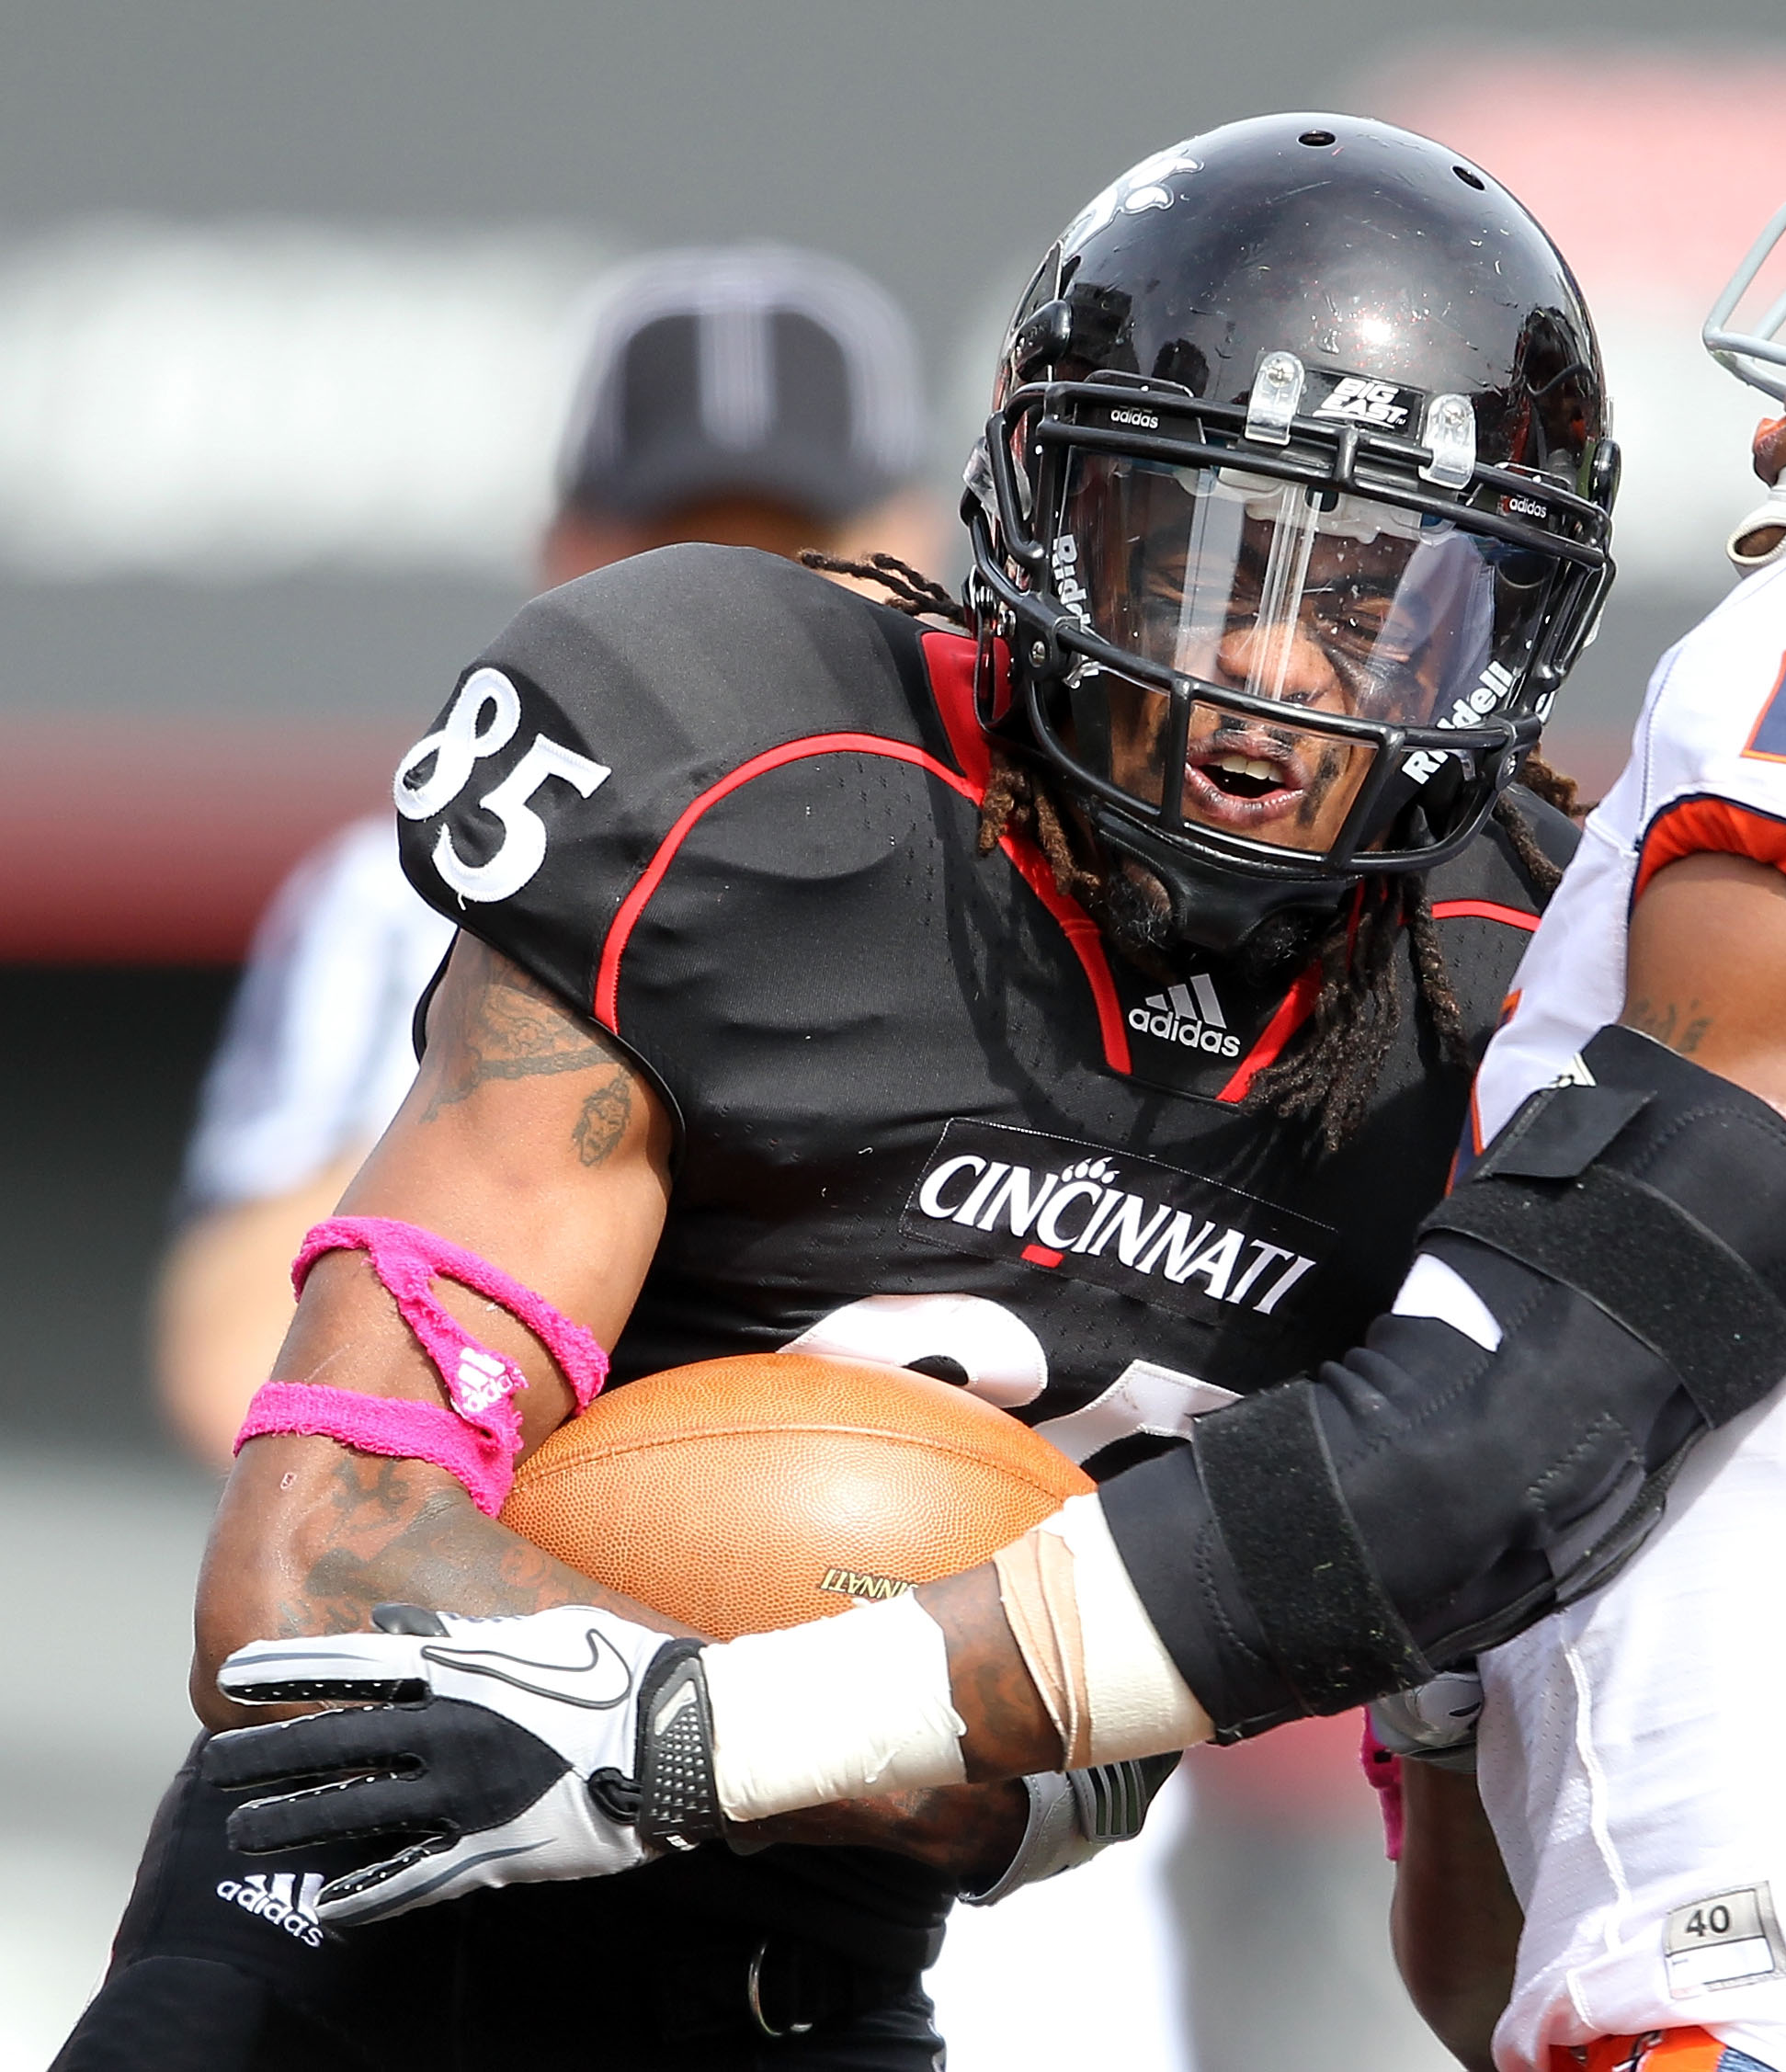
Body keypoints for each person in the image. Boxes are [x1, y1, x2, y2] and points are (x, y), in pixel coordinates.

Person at [195, 32, 1786, 2071]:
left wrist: (737, 1726)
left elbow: (1536, 1395)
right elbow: (1464, 1915)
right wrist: (1428, 1660)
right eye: (1201, 552)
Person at [59, 119, 1619, 2072]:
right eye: (1196, 552)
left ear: (1509, 638)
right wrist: (880, 1732)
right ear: (1054, 520)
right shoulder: (750, 780)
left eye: (1377, 600)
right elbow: (308, 1569)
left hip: (810, 1984)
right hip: (361, 1916)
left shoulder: (1506, 1008)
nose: (1260, 672)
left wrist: (1345, 1673)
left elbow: (1490, 1974)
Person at [152, 243, 938, 1464]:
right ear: (561, 557)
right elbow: (229, 1358)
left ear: (910, 543)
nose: (742, 618)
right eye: (676, 563)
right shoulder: (416, 888)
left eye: (792, 557)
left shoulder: (1027, 889)